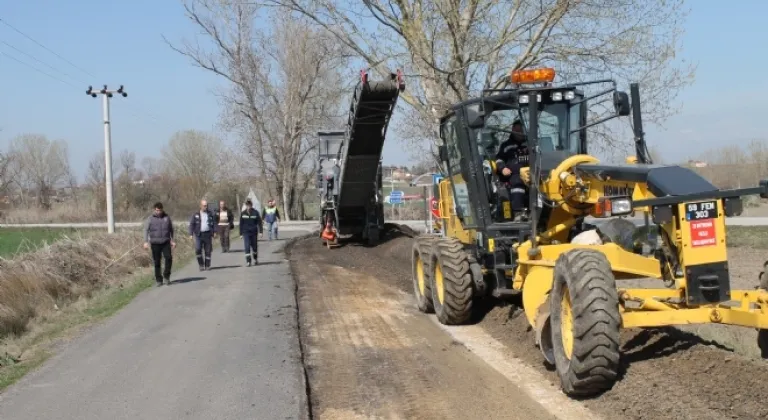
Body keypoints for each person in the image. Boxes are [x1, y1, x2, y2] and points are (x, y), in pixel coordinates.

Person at [494, 119, 530, 222]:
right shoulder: (506, 146)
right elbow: (499, 159)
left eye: (521, 130)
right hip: (513, 175)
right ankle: (518, 212)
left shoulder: (531, 144)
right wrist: (503, 168)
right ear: (513, 130)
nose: (519, 133)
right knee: (517, 183)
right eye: (516, 131)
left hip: (532, 173)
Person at [143, 202, 176, 286]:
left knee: (169, 258)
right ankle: (159, 279)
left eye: (160, 210)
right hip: (155, 243)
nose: (159, 212)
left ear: (162, 209)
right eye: (157, 210)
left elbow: (171, 230)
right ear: (154, 210)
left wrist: (172, 240)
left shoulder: (167, 217)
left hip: (166, 242)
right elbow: (145, 230)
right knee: (157, 262)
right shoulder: (150, 219)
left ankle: (166, 276)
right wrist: (146, 241)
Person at [189, 199, 216, 271]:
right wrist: (191, 234)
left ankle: (207, 265)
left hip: (208, 234)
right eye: (204, 206)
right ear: (200, 206)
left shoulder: (210, 213)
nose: (206, 207)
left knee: (208, 250)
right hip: (199, 234)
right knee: (198, 249)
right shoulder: (196, 214)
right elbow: (192, 224)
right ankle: (201, 264)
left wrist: (214, 232)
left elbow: (214, 223)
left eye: (206, 206)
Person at [239, 199, 263, 266]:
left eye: (249, 205)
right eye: (247, 205)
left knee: (254, 247)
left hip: (254, 232)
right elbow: (241, 224)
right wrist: (240, 233)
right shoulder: (243, 213)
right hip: (246, 232)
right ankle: (248, 261)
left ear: (251, 205)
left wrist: (260, 232)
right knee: (247, 247)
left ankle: (255, 259)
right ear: (246, 206)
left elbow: (259, 222)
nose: (248, 206)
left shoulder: (255, 212)